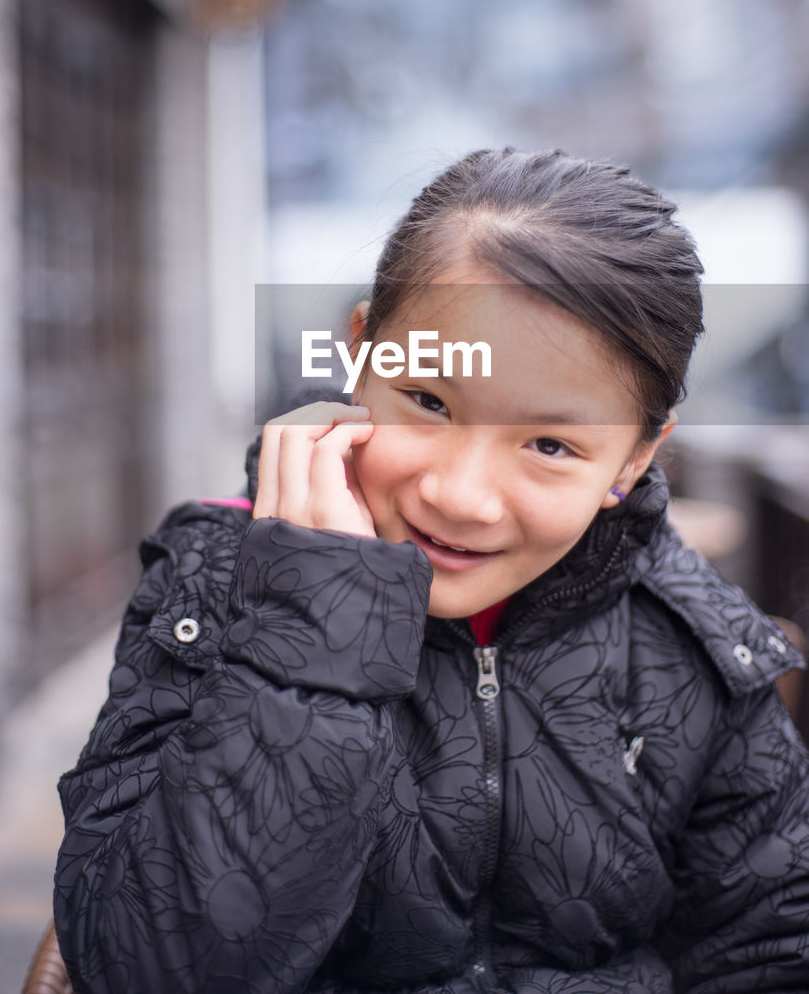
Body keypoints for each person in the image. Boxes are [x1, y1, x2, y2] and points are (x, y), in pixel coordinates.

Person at [54, 148, 809, 994]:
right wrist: (313, 624)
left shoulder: (700, 646)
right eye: (427, 401)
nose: (459, 496)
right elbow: (147, 966)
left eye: (550, 445)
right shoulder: (215, 586)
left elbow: (768, 953)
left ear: (633, 459)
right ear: (358, 354)